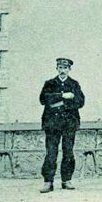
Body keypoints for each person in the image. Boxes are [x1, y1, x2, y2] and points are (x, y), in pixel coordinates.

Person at [38, 57, 85, 193]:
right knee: (51, 153)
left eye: (65, 68)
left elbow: (80, 102)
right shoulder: (50, 83)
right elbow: (43, 99)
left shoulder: (74, 84)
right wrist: (63, 96)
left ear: (69, 69)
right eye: (60, 68)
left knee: (68, 152)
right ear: (56, 69)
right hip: (52, 124)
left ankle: (66, 180)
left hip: (69, 124)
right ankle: (48, 182)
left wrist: (64, 100)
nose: (62, 70)